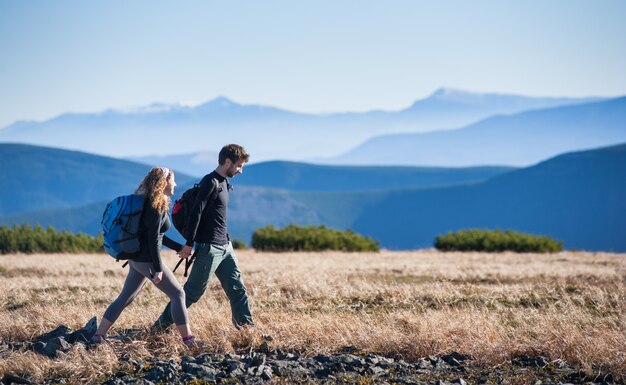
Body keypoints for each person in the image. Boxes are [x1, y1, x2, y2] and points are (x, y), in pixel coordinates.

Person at [92, 167, 199, 347]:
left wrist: (179, 247)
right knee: (178, 294)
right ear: (163, 183)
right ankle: (189, 340)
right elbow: (152, 240)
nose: (175, 184)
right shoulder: (156, 206)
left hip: (136, 259)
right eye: (173, 180)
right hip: (146, 260)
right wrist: (157, 269)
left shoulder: (147, 202)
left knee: (125, 297)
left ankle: (98, 336)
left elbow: (156, 235)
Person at [154, 144, 254, 330]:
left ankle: (247, 330)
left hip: (225, 247)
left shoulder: (224, 182)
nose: (240, 171)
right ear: (227, 162)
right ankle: (160, 327)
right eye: (238, 166)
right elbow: (196, 213)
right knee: (192, 292)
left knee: (237, 289)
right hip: (209, 247)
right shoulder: (210, 182)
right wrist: (189, 243)